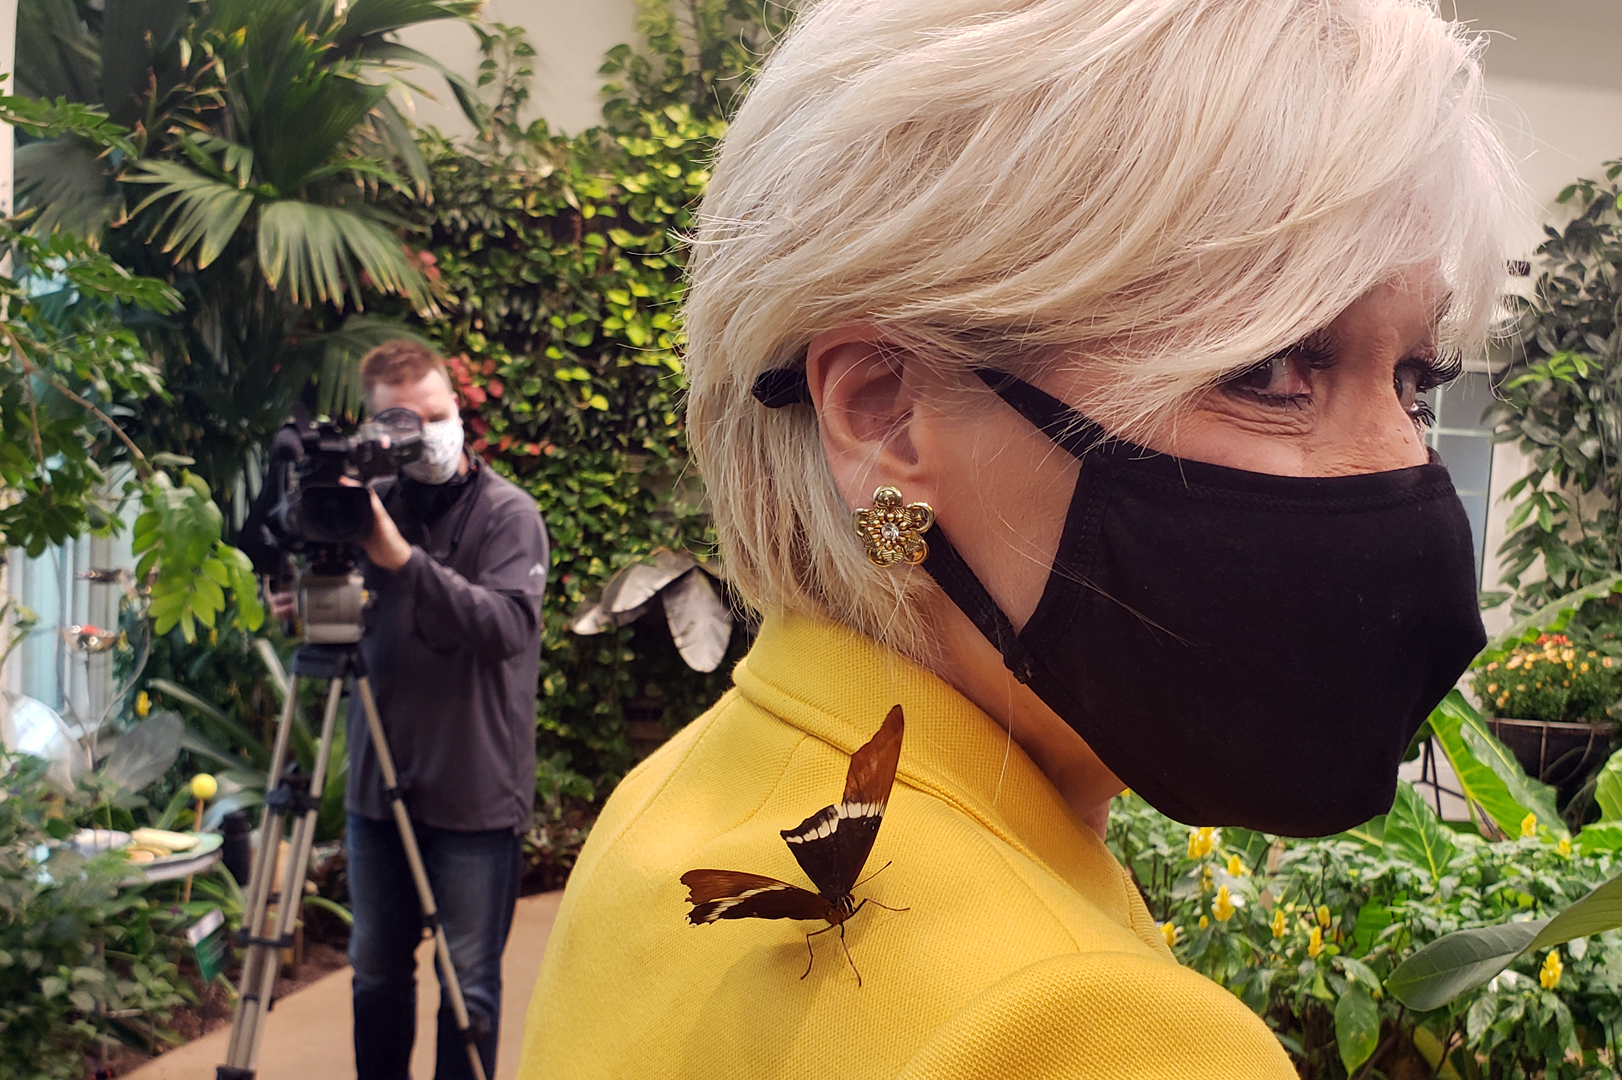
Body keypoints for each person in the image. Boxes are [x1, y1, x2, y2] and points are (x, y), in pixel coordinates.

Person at [519, 1, 1518, 1077]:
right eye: (1269, 369)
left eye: (1418, 379)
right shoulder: (1093, 1038)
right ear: (884, 412)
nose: (1404, 466)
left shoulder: (669, 801)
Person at [263, 340, 548, 1080]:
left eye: (438, 413)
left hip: (476, 798)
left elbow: (507, 630)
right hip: (377, 796)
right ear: (376, 431)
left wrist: (402, 561)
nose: (428, 432)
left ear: (458, 408)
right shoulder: (364, 511)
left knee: (468, 992)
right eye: (406, 422)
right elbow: (338, 608)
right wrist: (302, 600)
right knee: (377, 978)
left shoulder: (509, 515)